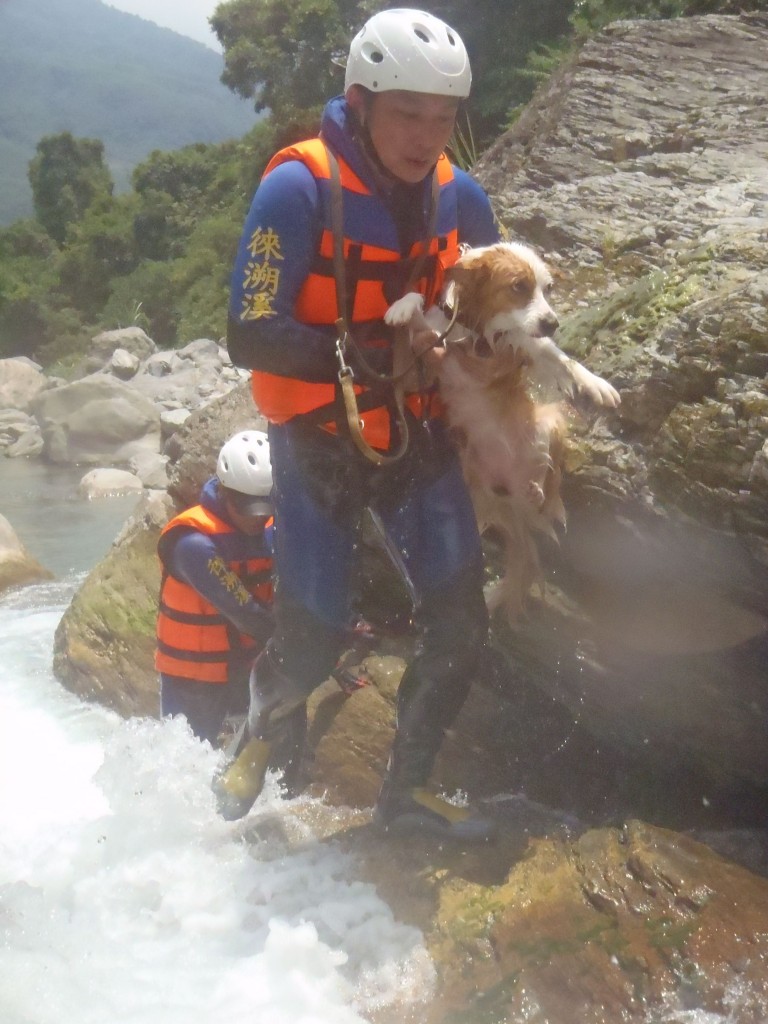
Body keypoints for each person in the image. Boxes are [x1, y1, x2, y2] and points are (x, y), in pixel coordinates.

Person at [216, 9, 502, 839]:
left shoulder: (460, 195)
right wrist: (377, 356)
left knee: (461, 627)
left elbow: (502, 298)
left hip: (416, 439)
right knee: (310, 644)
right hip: (318, 444)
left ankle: (402, 794)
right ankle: (258, 735)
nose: (426, 135)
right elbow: (250, 331)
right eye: (408, 114)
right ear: (360, 101)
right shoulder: (297, 187)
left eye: (443, 117)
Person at [156, 430, 277, 745]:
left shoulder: (270, 527)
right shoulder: (193, 545)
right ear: (224, 491)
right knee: (189, 774)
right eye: (246, 506)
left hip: (243, 674)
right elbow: (245, 612)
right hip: (192, 686)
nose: (256, 518)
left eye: (264, 505)